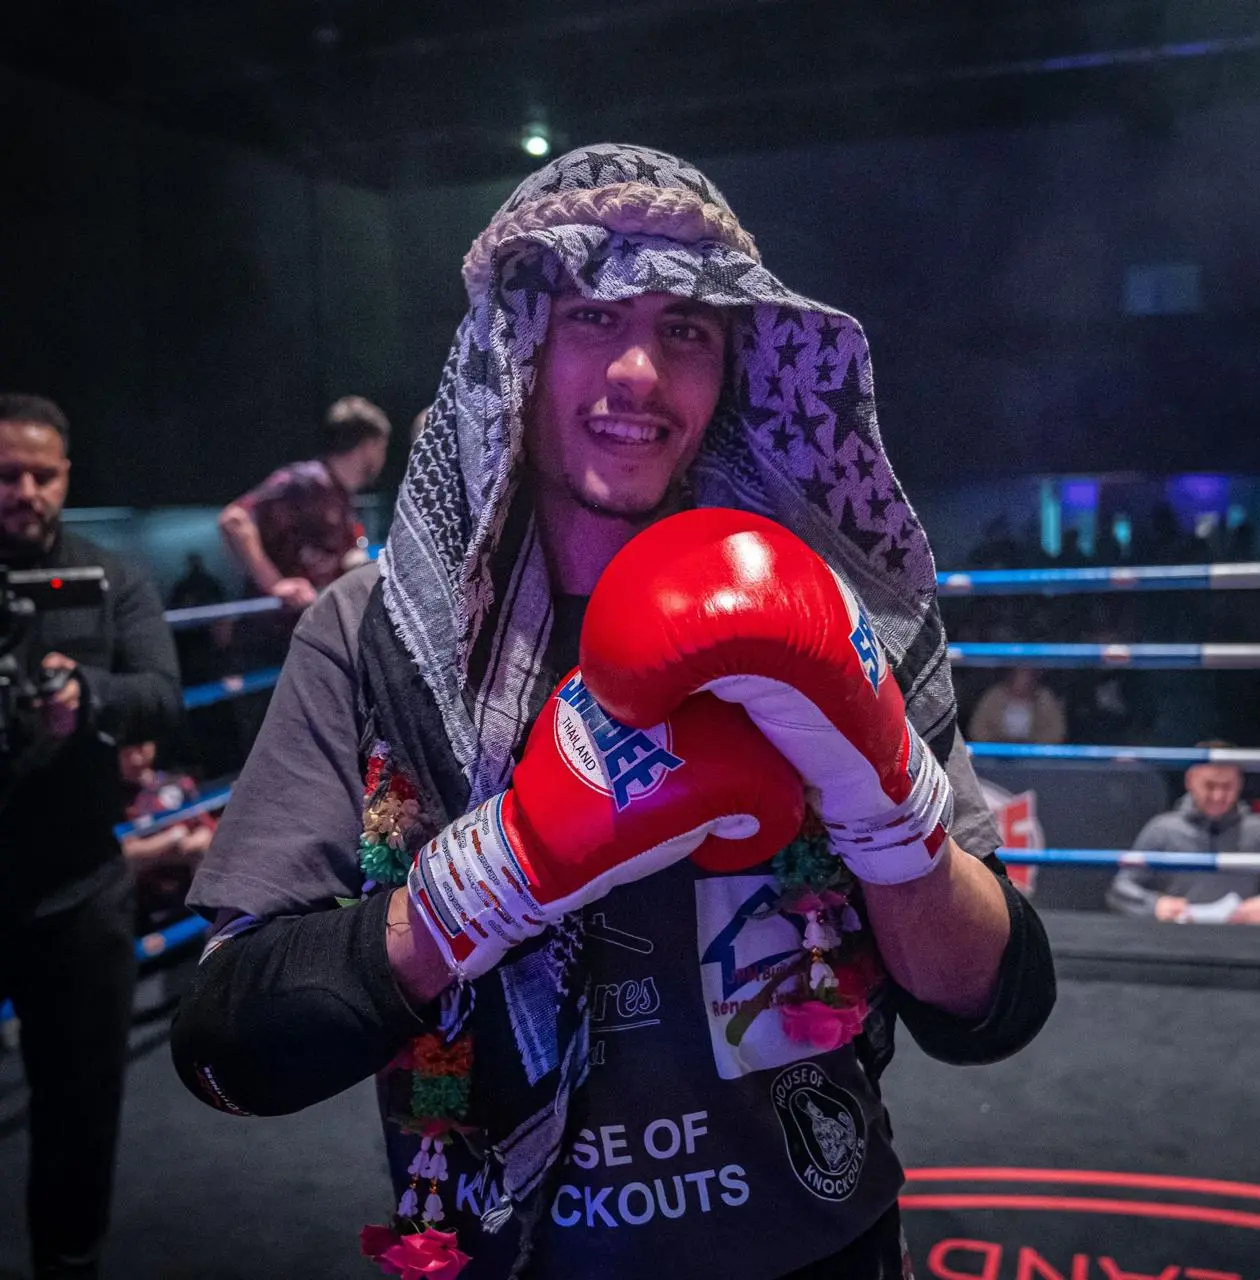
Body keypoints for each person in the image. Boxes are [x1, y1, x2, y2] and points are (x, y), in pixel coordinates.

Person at [173, 145, 1056, 1280]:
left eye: (686, 326)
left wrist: (884, 803)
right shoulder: (374, 631)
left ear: (731, 361)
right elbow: (231, 1045)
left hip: (820, 1235)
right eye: (593, 315)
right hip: (514, 1252)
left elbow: (989, 1006)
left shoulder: (838, 607)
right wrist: (490, 876)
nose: (640, 369)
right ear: (514, 348)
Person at [0, 393, 183, 1279]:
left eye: (41, 474)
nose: (24, 490)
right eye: (7, 474)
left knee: (81, 1118)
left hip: (78, 887)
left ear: (66, 477)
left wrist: (89, 698)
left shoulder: (111, 579)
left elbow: (162, 693)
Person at [218, 394, 390, 613]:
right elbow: (233, 519)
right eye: (382, 447)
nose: (383, 458)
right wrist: (275, 584)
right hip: (273, 632)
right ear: (368, 445)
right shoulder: (306, 482)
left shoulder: (342, 496)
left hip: (306, 629)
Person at [1108, 749, 1260, 925]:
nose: (1218, 796)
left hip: (1246, 943)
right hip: (1175, 942)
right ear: (1190, 781)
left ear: (1239, 784)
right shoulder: (1162, 829)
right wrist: (1155, 906)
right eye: (1210, 785)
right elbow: (1120, 890)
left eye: (1227, 786)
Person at [118, 740, 215, 934]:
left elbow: (207, 831)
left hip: (193, 893)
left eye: (139, 748)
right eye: (127, 752)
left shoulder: (179, 782)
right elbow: (124, 851)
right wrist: (171, 838)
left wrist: (187, 844)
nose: (135, 758)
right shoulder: (115, 798)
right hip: (147, 907)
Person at [967, 666, 1067, 745]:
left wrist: (1032, 744)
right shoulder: (994, 696)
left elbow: (1056, 732)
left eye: (1028, 674)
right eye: (1020, 673)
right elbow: (977, 729)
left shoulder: (1044, 698)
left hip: (1034, 759)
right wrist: (997, 742)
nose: (1024, 680)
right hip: (996, 757)